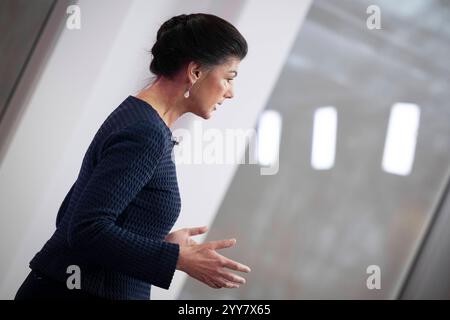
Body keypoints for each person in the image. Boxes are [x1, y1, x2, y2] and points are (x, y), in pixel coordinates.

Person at [15, 13, 250, 300]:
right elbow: (85, 229)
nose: (231, 93)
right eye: (228, 78)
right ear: (196, 72)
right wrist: (177, 258)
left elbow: (72, 213)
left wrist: (161, 243)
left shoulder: (140, 120)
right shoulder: (145, 133)